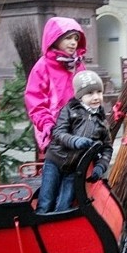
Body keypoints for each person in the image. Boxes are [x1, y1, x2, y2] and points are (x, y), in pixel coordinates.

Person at [37, 71, 112, 213]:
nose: (96, 97)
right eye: (90, 94)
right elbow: (58, 133)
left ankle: (59, 231)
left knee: (64, 205)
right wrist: (75, 141)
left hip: (75, 169)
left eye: (99, 92)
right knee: (46, 201)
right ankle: (40, 228)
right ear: (80, 96)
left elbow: (107, 148)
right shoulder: (69, 110)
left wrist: (101, 166)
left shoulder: (102, 121)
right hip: (55, 161)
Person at [25, 17, 87, 155]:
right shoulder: (43, 66)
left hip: (79, 128)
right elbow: (35, 102)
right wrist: (48, 125)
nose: (73, 43)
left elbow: (87, 93)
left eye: (76, 39)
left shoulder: (78, 65)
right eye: (68, 38)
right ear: (55, 38)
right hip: (55, 132)